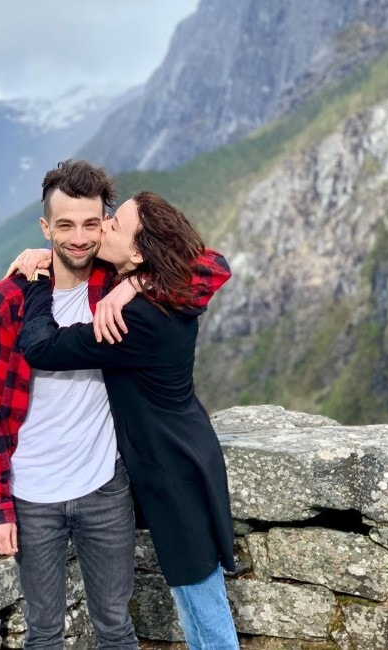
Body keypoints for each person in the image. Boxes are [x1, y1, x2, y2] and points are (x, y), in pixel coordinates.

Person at [17, 191, 240, 650]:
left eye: (113, 226)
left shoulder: (135, 320)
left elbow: (42, 347)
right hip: (185, 453)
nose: (101, 229)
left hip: (172, 470)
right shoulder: (167, 291)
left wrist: (38, 283)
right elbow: (207, 262)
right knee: (190, 591)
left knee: (201, 599)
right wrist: (137, 281)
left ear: (138, 252)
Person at [0, 160, 140, 649]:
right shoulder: (9, 302)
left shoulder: (116, 285)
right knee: (43, 631)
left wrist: (136, 283)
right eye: (65, 225)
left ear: (105, 223)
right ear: (46, 227)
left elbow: (206, 268)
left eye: (90, 223)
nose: (78, 237)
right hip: (31, 494)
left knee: (116, 626)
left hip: (105, 487)